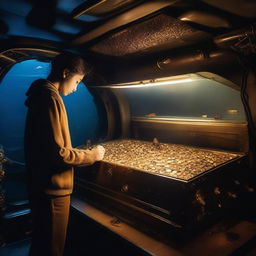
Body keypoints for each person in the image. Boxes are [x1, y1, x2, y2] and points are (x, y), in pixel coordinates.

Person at [24, 52, 105, 256]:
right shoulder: (50, 98)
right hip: (53, 190)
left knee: (41, 243)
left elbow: (48, 146)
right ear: (65, 73)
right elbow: (57, 154)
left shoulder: (42, 95)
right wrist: (92, 155)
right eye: (77, 81)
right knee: (52, 248)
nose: (76, 87)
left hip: (42, 186)